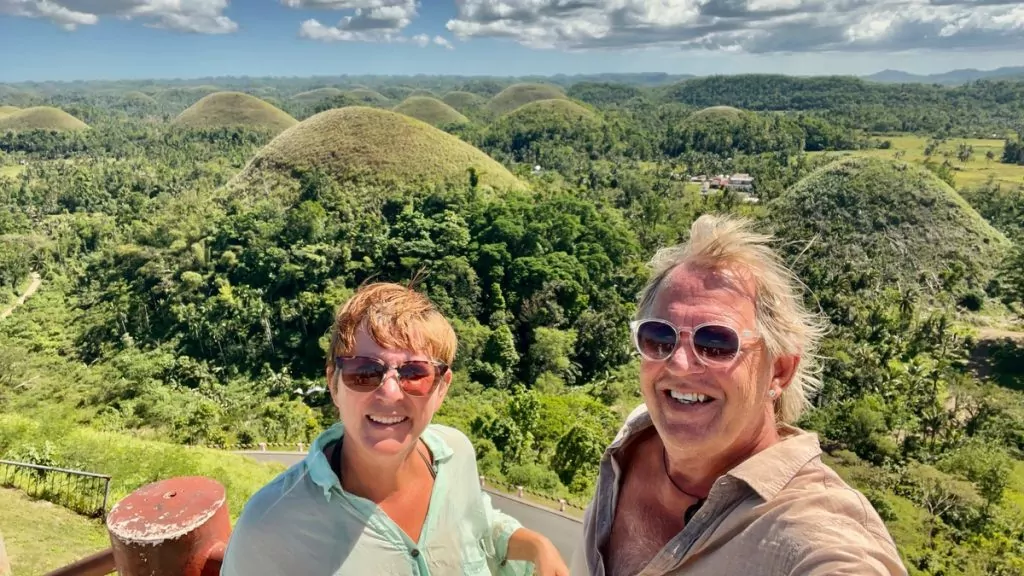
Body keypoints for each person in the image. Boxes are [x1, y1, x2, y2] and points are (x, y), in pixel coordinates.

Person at [571, 215, 907, 576]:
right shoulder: (633, 440)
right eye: (661, 338)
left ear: (779, 371)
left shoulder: (811, 529)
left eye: (716, 343)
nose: (681, 364)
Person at [222, 282, 568, 576]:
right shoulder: (269, 526)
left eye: (415, 373)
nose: (389, 392)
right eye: (364, 371)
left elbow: (475, 523)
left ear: (441, 387)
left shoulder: (455, 454)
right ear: (334, 383)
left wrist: (537, 545)